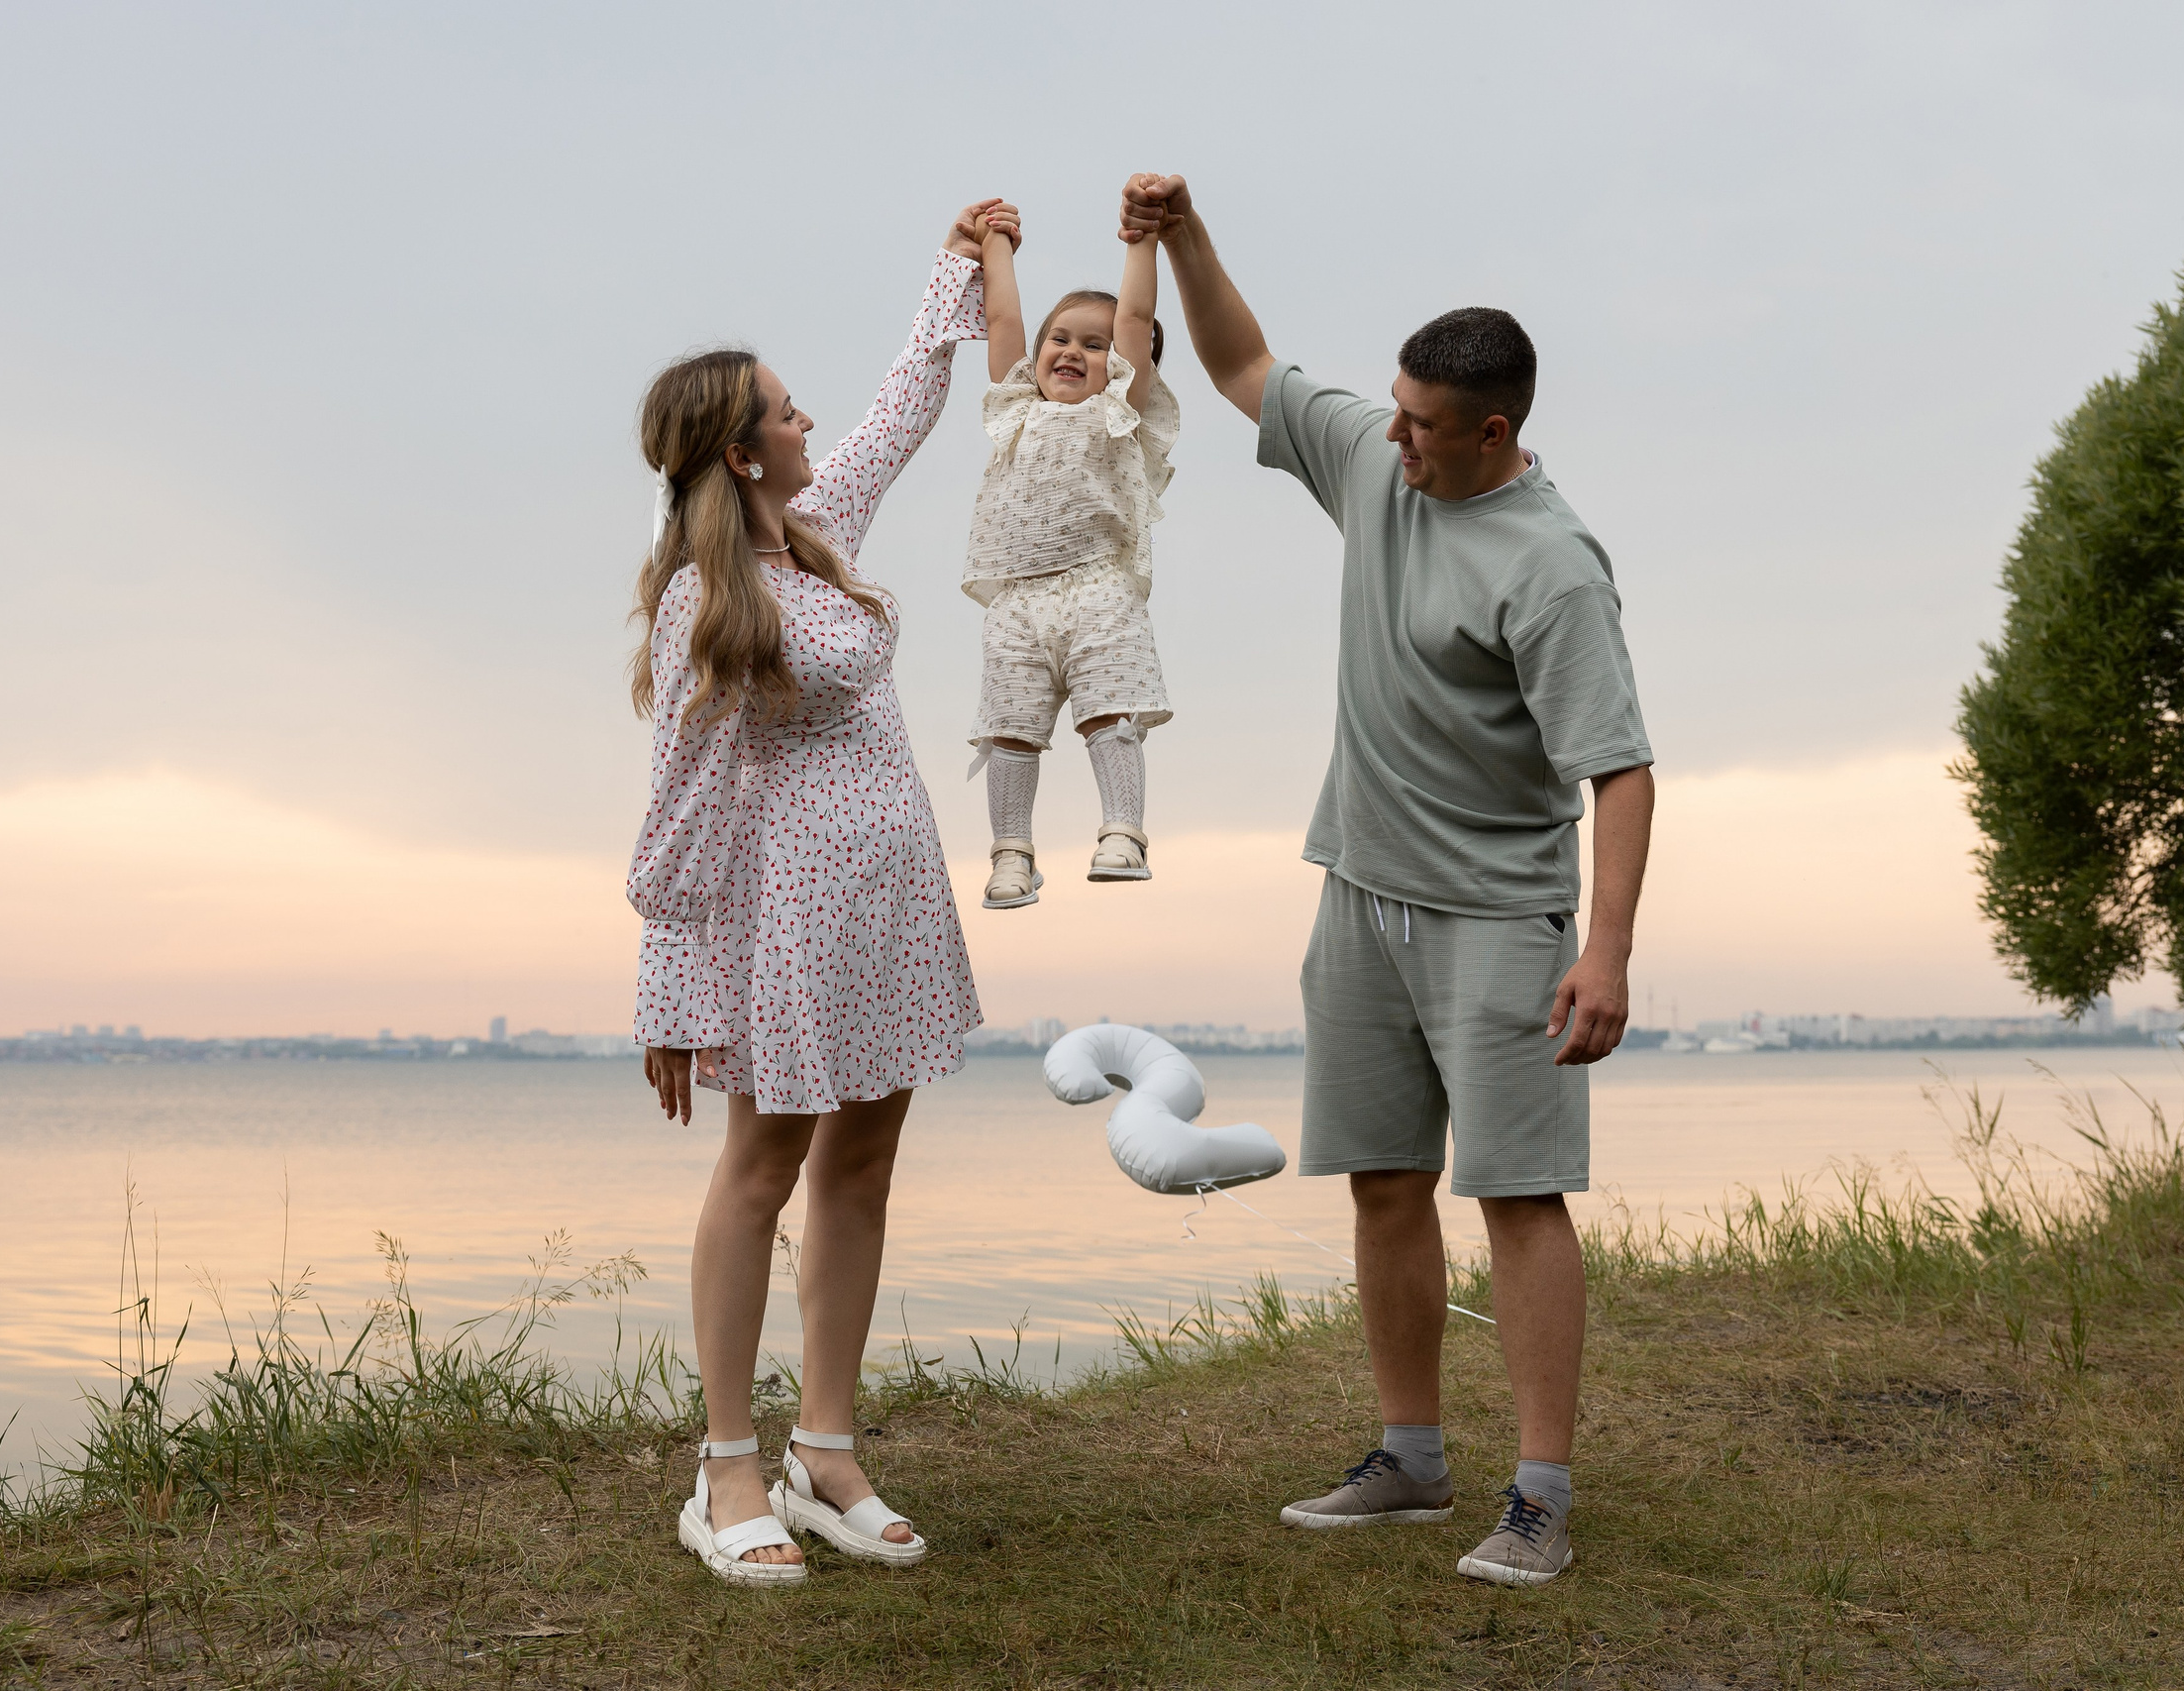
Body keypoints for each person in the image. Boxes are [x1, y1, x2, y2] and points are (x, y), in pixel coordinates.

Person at [1120, 172, 1656, 1587]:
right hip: (1358, 896)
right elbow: (1240, 364)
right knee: (1381, 1180)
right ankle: (1410, 1458)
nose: (1392, 439)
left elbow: (1620, 769)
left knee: (1518, 1195)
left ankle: (1538, 1496)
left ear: (1495, 434)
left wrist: (1603, 951)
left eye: (1422, 425)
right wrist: (1185, 239)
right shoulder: (1378, 456)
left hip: (1499, 921)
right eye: (1394, 411)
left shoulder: (1553, 568)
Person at [625, 198, 1015, 1587]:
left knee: (864, 1163)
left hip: (889, 906)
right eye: (788, 413)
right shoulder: (709, 597)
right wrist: (671, 988)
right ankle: (728, 1464)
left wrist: (956, 270)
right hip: (786, 921)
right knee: (761, 1170)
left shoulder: (815, 529)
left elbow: (903, 409)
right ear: (741, 451)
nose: (810, 425)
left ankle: (827, 1449)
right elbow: (678, 808)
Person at [961, 199, 1181, 905]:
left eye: (1093, 345)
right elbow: (1002, 321)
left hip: (1098, 590)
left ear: (1120, 365)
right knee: (1008, 730)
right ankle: (1011, 852)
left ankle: (1123, 832)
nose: (1070, 352)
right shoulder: (1015, 411)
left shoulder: (1118, 414)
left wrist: (1142, 239)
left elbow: (1136, 320)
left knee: (1109, 713)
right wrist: (996, 246)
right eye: (1058, 339)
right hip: (1018, 599)